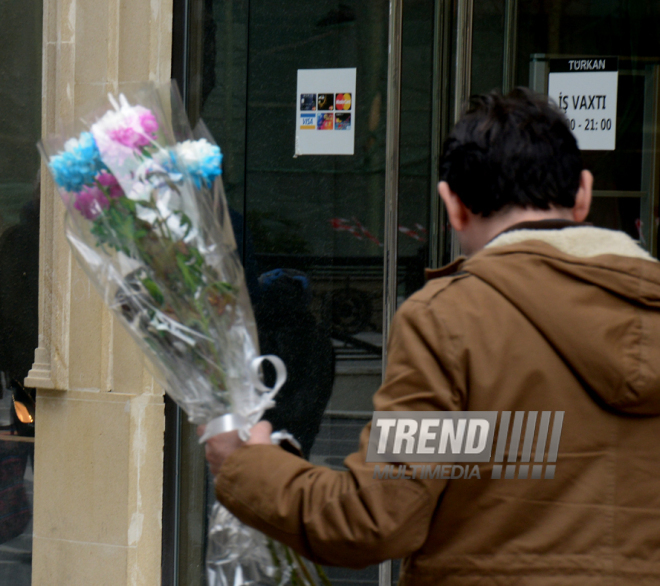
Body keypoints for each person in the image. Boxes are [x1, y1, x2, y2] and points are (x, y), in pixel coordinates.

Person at [199, 88, 660, 584]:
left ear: (453, 205)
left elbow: (372, 522)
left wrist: (247, 467)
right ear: (584, 193)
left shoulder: (452, 319)